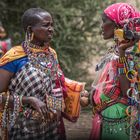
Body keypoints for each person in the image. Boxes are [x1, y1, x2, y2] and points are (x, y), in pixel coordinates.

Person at [0, 8, 84, 140]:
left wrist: (76, 94)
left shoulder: (51, 54)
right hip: (23, 129)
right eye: (46, 25)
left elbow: (55, 87)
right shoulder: (14, 57)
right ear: (30, 30)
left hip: (51, 128)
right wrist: (29, 100)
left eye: (52, 25)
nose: (51, 29)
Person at [81, 3, 140, 140]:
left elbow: (127, 93)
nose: (101, 26)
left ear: (119, 25)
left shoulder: (132, 54)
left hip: (119, 120)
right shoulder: (117, 49)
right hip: (106, 116)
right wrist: (91, 95)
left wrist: (122, 54)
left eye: (104, 21)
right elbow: (109, 83)